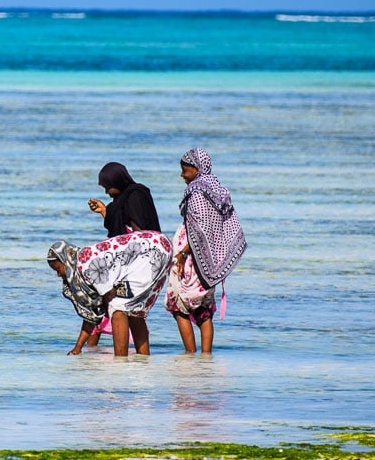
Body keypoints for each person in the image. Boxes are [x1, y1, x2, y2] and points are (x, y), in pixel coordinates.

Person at [165, 148, 246, 354]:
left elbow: (200, 230)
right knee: (204, 310)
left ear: (197, 168)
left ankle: (190, 356)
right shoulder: (216, 188)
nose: (182, 175)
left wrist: (182, 254)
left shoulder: (197, 192)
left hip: (192, 257)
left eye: (185, 170)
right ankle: (206, 359)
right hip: (210, 260)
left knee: (179, 307)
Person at [47, 230, 172, 356]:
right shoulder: (83, 261)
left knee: (116, 306)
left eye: (58, 269)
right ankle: (143, 359)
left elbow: (108, 296)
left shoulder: (85, 264)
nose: (59, 274)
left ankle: (120, 361)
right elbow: (92, 315)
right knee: (135, 311)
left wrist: (107, 303)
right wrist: (78, 348)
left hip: (152, 250)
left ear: (66, 260)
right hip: (161, 245)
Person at [87, 162, 161, 237]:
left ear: (116, 183)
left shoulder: (135, 196)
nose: (106, 192)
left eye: (108, 188)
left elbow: (139, 232)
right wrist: (103, 210)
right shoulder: (122, 200)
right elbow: (118, 227)